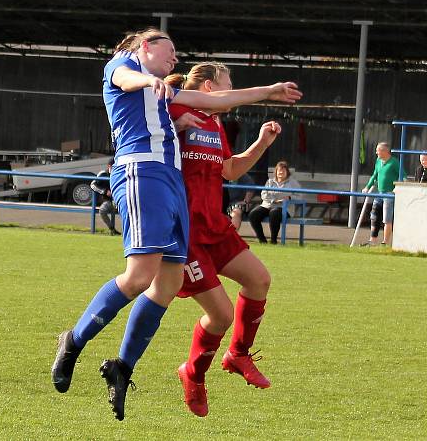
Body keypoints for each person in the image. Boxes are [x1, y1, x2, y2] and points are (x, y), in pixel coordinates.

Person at [50, 28, 302, 421]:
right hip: (142, 172)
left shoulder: (177, 100)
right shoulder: (125, 68)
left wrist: (268, 90)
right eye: (169, 53)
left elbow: (213, 101)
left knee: (165, 284)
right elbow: (126, 77)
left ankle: (122, 367)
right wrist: (150, 80)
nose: (174, 61)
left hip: (170, 183)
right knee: (139, 276)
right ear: (146, 47)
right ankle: (75, 340)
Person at [166, 62, 282, 417]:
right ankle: (193, 373)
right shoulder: (174, 108)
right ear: (208, 86)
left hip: (213, 225)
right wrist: (173, 125)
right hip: (183, 231)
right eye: (229, 86)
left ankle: (238, 355)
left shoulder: (215, 123)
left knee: (259, 279)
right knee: (220, 315)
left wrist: (262, 143)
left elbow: (229, 169)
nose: (233, 95)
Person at [362, 142, 406, 246]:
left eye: (378, 150)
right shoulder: (378, 161)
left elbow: (403, 175)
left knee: (387, 218)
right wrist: (367, 187)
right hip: (379, 192)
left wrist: (398, 188)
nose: (376, 152)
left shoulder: (394, 162)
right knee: (374, 215)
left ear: (385, 151)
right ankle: (372, 240)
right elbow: (374, 175)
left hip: (389, 194)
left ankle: (385, 242)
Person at [247, 161, 299, 244]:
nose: (281, 172)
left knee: (274, 212)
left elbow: (300, 196)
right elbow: (263, 194)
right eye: (279, 170)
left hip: (284, 208)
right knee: (253, 215)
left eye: (283, 170)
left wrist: (289, 197)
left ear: (287, 172)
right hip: (268, 205)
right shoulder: (270, 181)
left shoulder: (293, 183)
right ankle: (262, 240)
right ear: (276, 172)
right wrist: (273, 200)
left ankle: (273, 240)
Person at [90, 158, 119, 235]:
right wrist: (105, 191)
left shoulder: (121, 173)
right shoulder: (103, 174)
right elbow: (93, 185)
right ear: (109, 166)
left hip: (120, 199)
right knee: (102, 210)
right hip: (109, 201)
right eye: (113, 166)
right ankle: (112, 229)